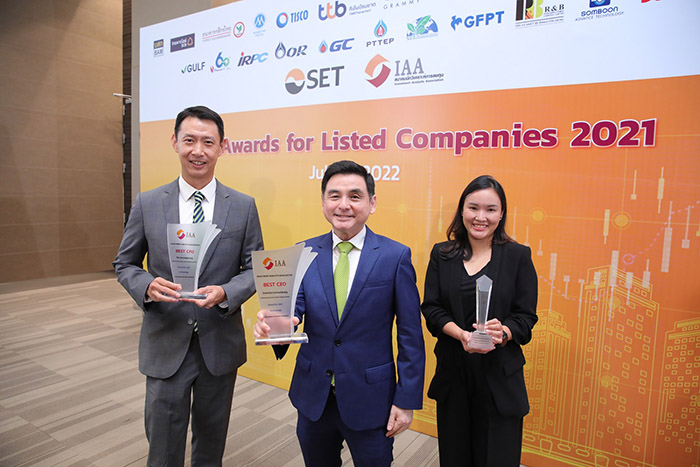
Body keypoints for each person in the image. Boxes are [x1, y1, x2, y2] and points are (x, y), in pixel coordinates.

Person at [113, 105, 264, 466]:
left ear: (222, 147)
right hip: (165, 339)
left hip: (218, 342)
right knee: (163, 445)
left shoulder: (243, 206)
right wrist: (146, 286)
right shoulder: (148, 203)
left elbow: (255, 269)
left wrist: (226, 292)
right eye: (190, 140)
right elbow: (125, 263)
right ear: (175, 142)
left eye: (208, 142)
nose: (198, 151)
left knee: (211, 444)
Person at [254, 160, 425, 467]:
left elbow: (410, 334)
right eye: (334, 196)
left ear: (372, 203)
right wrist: (275, 329)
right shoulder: (305, 252)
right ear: (323, 202)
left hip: (370, 398)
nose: (343, 205)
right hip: (314, 397)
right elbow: (294, 312)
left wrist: (406, 400)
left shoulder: (395, 256)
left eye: (355, 196)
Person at [421, 175, 538, 467]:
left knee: (497, 458)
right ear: (462, 210)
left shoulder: (518, 256)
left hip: (500, 379)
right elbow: (432, 309)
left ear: (502, 214)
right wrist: (461, 335)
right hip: (454, 375)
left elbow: (526, 316)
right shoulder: (442, 254)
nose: (480, 217)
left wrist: (505, 332)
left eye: (490, 209)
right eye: (473, 208)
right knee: (455, 457)